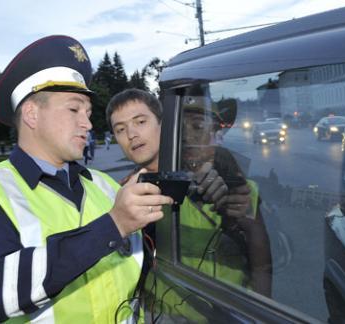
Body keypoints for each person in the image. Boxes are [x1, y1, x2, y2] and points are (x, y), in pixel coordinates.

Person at [0, 35, 173, 323]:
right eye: (74, 109)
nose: (88, 124)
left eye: (89, 113)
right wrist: (113, 225)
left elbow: (149, 270)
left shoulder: (107, 186)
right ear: (31, 114)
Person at [106, 88, 272, 320]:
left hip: (231, 313)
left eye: (140, 122)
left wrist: (259, 315)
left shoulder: (236, 185)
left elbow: (262, 263)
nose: (132, 134)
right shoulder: (122, 195)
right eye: (120, 129)